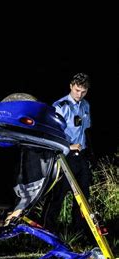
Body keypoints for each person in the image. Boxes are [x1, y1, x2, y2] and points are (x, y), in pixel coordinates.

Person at [41, 72, 93, 233]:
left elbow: (86, 129)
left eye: (83, 91)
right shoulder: (60, 106)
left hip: (81, 156)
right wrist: (68, 146)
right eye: (77, 90)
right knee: (58, 195)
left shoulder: (85, 105)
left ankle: (78, 231)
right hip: (64, 155)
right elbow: (52, 133)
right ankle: (46, 230)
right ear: (71, 86)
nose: (79, 94)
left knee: (83, 196)